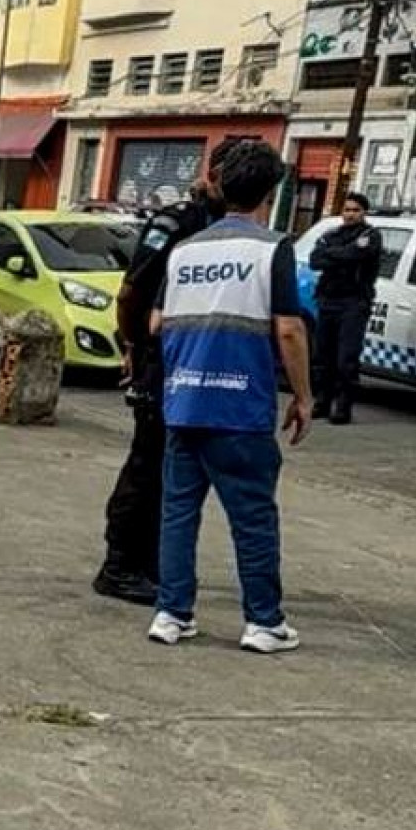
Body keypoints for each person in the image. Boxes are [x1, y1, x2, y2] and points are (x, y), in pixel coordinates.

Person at [148, 138, 313, 654]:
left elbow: (156, 322)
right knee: (253, 517)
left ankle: (171, 613)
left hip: (184, 402)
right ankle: (263, 621)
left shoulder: (186, 250)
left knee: (178, 513)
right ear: (271, 192)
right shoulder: (272, 250)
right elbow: (289, 330)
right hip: (239, 409)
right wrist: (304, 397)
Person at [91, 142, 250, 607]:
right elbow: (130, 293)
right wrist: (135, 348)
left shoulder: (225, 227)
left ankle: (150, 562)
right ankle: (119, 565)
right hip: (161, 358)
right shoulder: (178, 222)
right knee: (148, 464)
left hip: (194, 361)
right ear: (218, 175)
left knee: (173, 469)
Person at [308, 191, 383, 425]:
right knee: (322, 355)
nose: (350, 214)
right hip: (328, 299)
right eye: (347, 210)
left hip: (354, 302)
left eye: (355, 210)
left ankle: (343, 406)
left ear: (364, 212)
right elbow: (315, 259)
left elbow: (358, 255)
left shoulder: (371, 235)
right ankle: (322, 400)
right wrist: (341, 254)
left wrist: (335, 255)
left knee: (346, 358)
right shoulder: (331, 234)